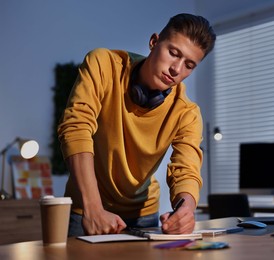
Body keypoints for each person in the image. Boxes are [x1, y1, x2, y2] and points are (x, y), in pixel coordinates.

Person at [57, 13, 216, 237]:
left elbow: (186, 170)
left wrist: (186, 211)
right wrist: (93, 208)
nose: (176, 69)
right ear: (154, 42)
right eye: (173, 53)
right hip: (86, 208)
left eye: (189, 65)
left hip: (143, 215)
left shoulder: (187, 113)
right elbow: (76, 127)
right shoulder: (103, 65)